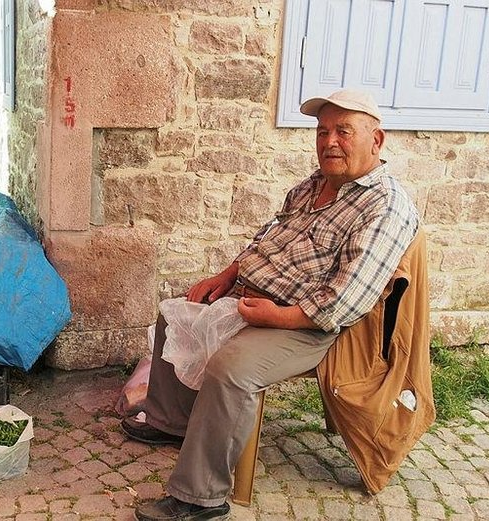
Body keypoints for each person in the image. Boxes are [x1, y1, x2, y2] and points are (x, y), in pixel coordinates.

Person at [122, 89, 419, 521]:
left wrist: (278, 316)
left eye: (343, 131)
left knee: (231, 369)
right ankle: (173, 423)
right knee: (176, 314)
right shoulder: (312, 185)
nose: (329, 142)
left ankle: (200, 497)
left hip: (306, 324)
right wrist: (228, 274)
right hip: (253, 296)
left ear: (376, 140)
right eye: (322, 132)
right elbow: (266, 239)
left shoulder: (386, 206)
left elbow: (343, 302)